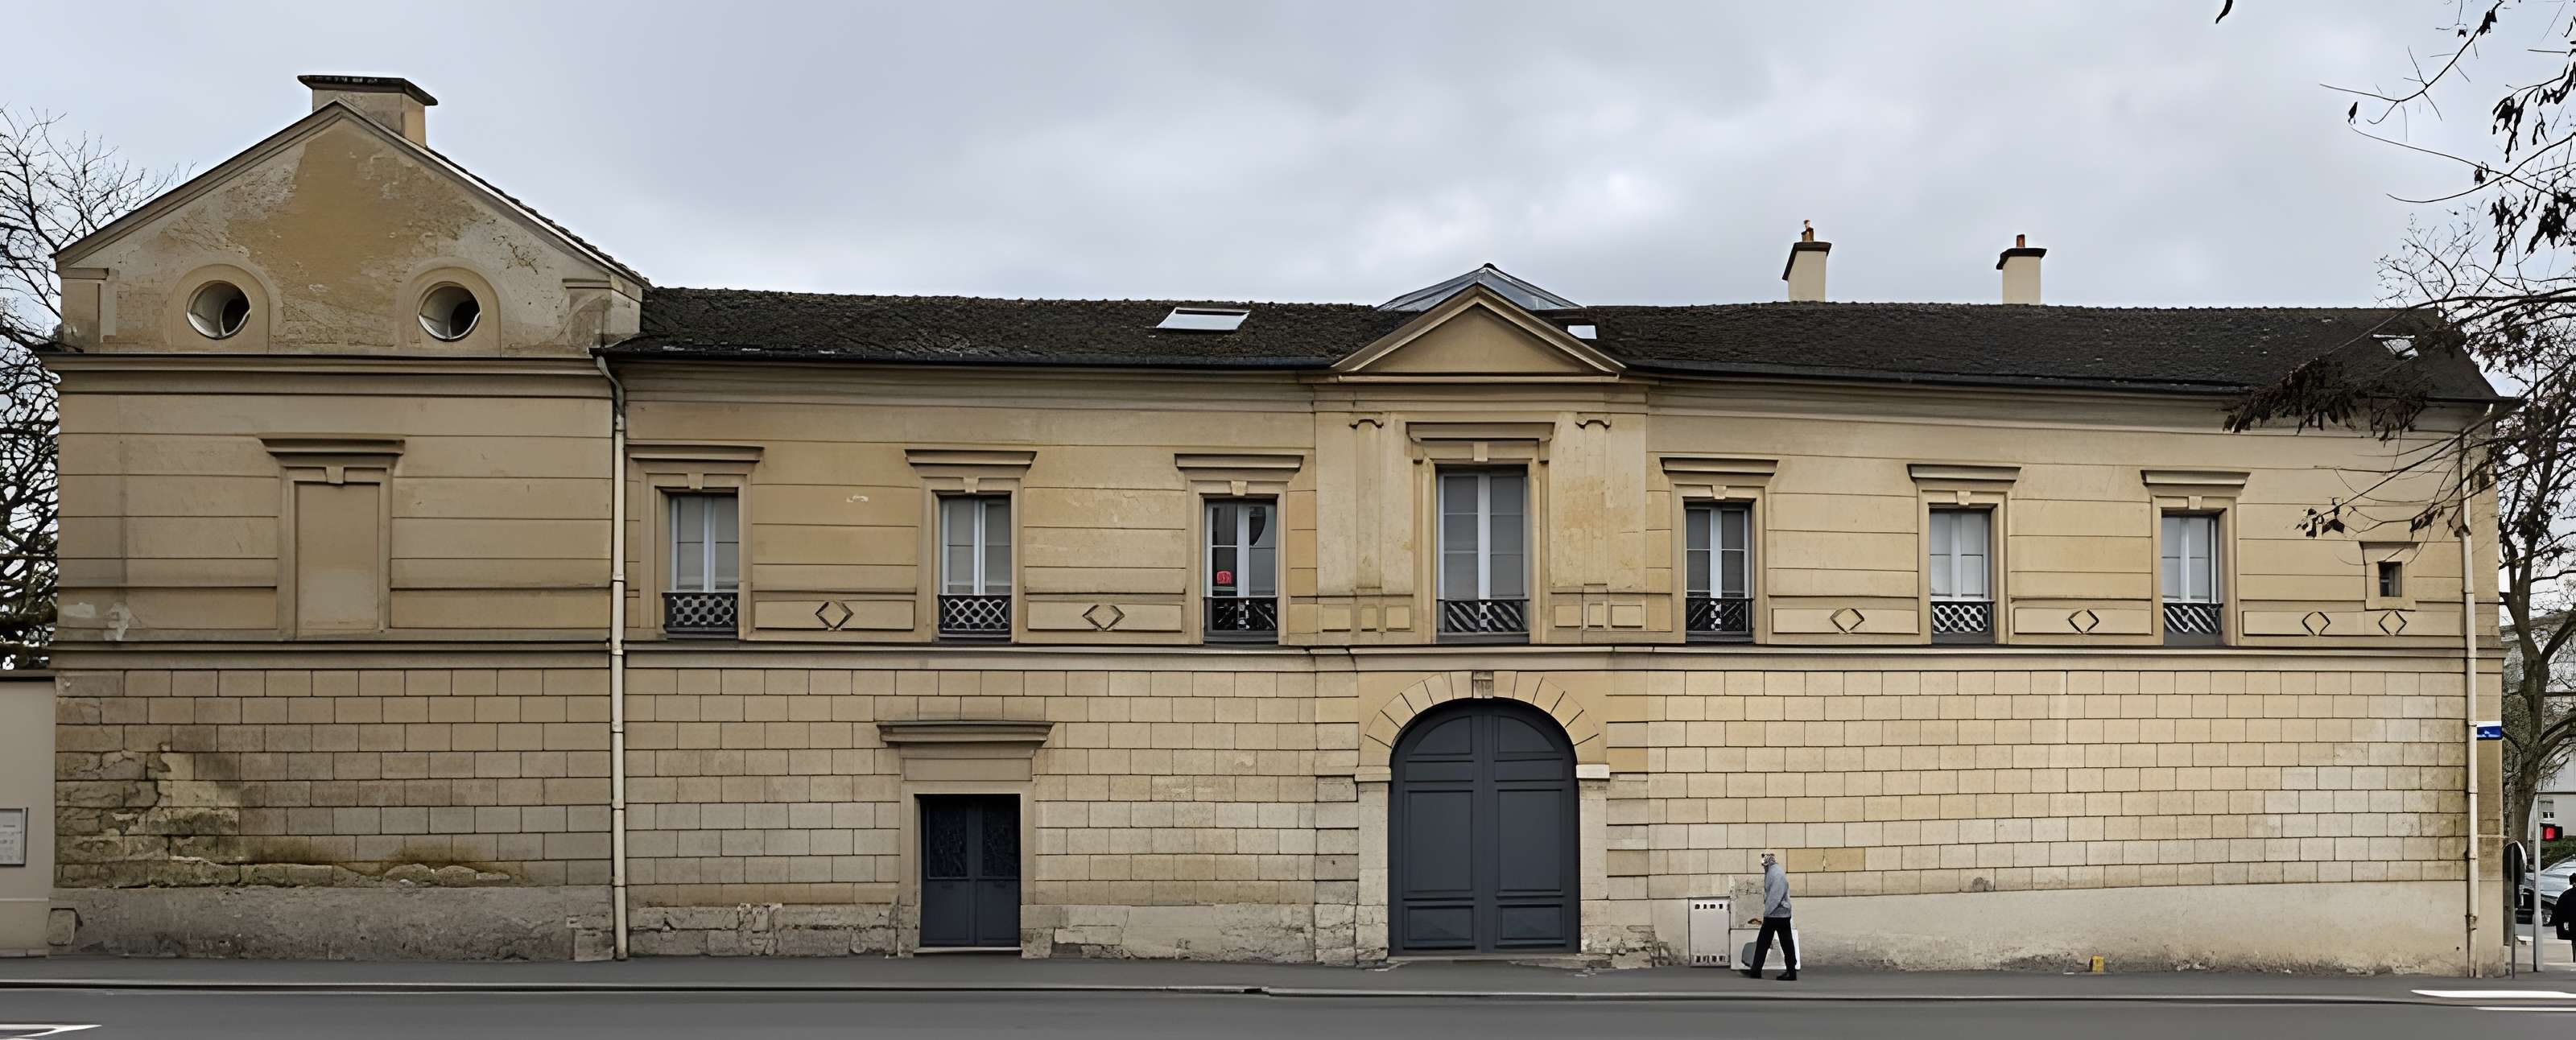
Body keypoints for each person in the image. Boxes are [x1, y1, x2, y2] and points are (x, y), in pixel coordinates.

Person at [1740, 851, 1798, 981]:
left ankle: (1758, 970)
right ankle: (1789, 971)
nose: (1763, 866)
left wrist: (1767, 912)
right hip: (1780, 914)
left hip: (1777, 914)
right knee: (1781, 943)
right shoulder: (1773, 871)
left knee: (1767, 943)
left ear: (1768, 862)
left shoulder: (1776, 873)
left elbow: (1775, 896)